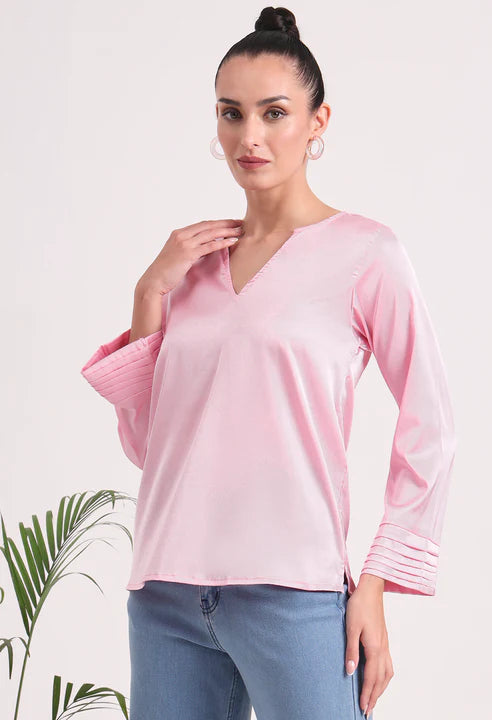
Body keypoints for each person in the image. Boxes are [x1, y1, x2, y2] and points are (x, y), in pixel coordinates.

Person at [80, 6, 457, 720]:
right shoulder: (190, 267)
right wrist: (149, 294)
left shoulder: (367, 254)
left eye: (273, 113)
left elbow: (431, 424)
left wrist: (375, 581)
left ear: (318, 123)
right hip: (164, 595)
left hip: (295, 593)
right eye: (232, 113)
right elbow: (151, 448)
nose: (248, 136)